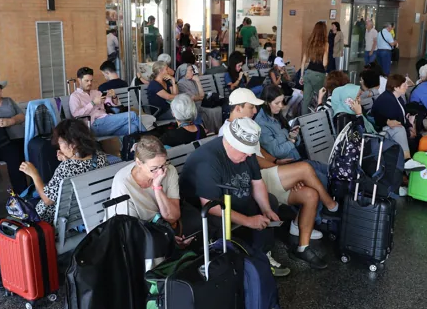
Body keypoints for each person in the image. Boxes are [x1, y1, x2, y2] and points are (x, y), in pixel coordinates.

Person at [181, 116, 331, 270]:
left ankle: (262, 255)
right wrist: (248, 220)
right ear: (232, 144)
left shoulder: (246, 151)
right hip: (208, 209)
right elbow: (210, 206)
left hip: (234, 196)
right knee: (222, 222)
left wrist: (266, 209)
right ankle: (230, 264)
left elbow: (257, 182)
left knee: (270, 203)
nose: (248, 156)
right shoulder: (208, 161)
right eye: (245, 153)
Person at [19, 119, 109, 223]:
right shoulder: (100, 156)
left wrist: (34, 174)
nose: (59, 146)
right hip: (90, 211)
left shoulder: (66, 168)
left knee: (23, 205)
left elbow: (48, 200)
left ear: (73, 145)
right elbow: (81, 169)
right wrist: (68, 160)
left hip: (61, 219)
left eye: (61, 142)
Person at [108, 136, 195, 243]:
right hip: (135, 233)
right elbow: (130, 230)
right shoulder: (124, 183)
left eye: (163, 165)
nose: (160, 172)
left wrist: (157, 187)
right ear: (139, 163)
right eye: (154, 169)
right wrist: (164, 238)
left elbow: (172, 217)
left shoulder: (169, 171)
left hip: (161, 226)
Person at [70, 67, 145, 137]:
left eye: (91, 80)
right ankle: (150, 140)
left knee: (133, 128)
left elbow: (113, 104)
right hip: (93, 125)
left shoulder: (96, 92)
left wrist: (114, 96)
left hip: (106, 121)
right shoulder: (75, 96)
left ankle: (132, 149)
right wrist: (93, 103)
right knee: (132, 115)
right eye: (87, 81)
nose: (90, 83)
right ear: (79, 80)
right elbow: (76, 115)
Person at [372, 75, 419, 164]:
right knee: (399, 129)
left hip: (393, 128)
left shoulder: (398, 98)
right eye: (404, 85)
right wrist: (408, 130)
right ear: (396, 87)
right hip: (385, 130)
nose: (407, 86)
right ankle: (407, 160)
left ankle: (409, 164)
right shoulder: (387, 100)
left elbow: (403, 117)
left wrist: (410, 127)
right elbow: (395, 121)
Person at [174, 60, 221, 133]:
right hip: (192, 106)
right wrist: (198, 96)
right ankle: (203, 130)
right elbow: (197, 97)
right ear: (184, 72)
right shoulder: (181, 84)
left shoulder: (193, 81)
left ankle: (212, 130)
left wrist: (198, 82)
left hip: (199, 104)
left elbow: (201, 95)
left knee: (217, 109)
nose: (193, 72)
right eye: (190, 70)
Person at [300, 21, 329, 114]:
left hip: (308, 73)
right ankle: (321, 119)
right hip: (319, 74)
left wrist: (301, 76)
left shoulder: (309, 42)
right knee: (322, 98)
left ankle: (303, 123)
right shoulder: (325, 44)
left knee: (306, 100)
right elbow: (324, 63)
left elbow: (303, 61)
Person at [267, 52, 303, 117]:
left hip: (285, 87)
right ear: (276, 65)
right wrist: (280, 75)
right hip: (276, 88)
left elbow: (289, 79)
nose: (282, 66)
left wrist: (285, 72)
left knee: (301, 95)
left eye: (282, 65)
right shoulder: (272, 72)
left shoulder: (282, 70)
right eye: (280, 65)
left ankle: (291, 111)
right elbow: (275, 83)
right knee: (295, 95)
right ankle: (286, 110)